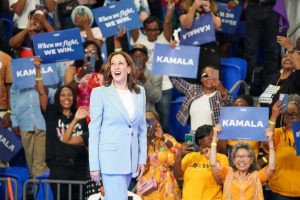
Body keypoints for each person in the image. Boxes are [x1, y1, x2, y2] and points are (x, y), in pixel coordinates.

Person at [88, 51, 147, 200]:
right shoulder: (99, 93)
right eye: (113, 64)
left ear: (128, 69)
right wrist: (94, 165)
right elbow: (94, 131)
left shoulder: (140, 92)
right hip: (110, 160)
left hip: (130, 159)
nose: (116, 67)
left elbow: (141, 129)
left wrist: (141, 159)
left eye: (120, 63)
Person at [33, 57, 89, 199]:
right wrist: (38, 70)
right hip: (59, 168)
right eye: (63, 95)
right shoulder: (52, 114)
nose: (66, 97)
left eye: (69, 95)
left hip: (79, 169)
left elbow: (85, 141)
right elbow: (41, 92)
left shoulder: (81, 118)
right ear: (58, 98)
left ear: (73, 98)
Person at [131, 3, 175, 133]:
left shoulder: (164, 38)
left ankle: (164, 149)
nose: (152, 33)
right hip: (141, 83)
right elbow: (132, 21)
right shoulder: (139, 38)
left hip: (164, 86)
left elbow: (167, 21)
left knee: (164, 123)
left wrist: (171, 4)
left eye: (155, 30)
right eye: (149, 30)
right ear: (144, 30)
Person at [209, 125, 276, 200]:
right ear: (233, 160)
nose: (241, 159)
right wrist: (214, 139)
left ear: (251, 160)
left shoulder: (256, 176)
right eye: (238, 156)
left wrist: (270, 142)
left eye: (245, 156)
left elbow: (271, 168)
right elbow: (213, 164)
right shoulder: (228, 173)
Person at [173, 124, 229, 200]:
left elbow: (221, 181)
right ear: (199, 141)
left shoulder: (222, 157)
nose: (211, 137)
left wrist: (211, 159)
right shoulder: (190, 156)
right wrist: (179, 155)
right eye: (208, 135)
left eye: (213, 135)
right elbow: (177, 175)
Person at [170, 66, 234, 131]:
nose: (209, 78)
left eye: (212, 75)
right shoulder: (193, 89)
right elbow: (176, 81)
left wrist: (221, 89)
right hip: (193, 134)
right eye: (205, 76)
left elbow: (230, 103)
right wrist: (168, 66)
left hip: (212, 137)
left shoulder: (220, 94)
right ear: (201, 79)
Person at [137, 111, 181, 199]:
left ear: (157, 122)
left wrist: (163, 139)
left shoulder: (167, 137)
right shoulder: (139, 141)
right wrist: (147, 140)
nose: (148, 124)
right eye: (146, 121)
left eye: (151, 120)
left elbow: (177, 156)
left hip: (167, 186)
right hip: (148, 188)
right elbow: (140, 168)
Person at [179, 0, 222, 81]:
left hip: (210, 51)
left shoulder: (213, 6)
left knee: (211, 81)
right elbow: (186, 25)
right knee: (191, 83)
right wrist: (194, 7)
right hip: (191, 51)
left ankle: (211, 93)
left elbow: (217, 25)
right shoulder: (184, 6)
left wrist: (208, 10)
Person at [267, 94, 300, 199]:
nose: (289, 117)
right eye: (286, 114)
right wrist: (274, 115)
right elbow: (267, 136)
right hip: (279, 191)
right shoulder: (278, 132)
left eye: (293, 114)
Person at [64, 40, 104, 108]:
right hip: (79, 114)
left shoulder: (102, 73)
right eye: (86, 52)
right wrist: (80, 75)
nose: (89, 54)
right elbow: (67, 94)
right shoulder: (72, 70)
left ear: (97, 57)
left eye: (93, 52)